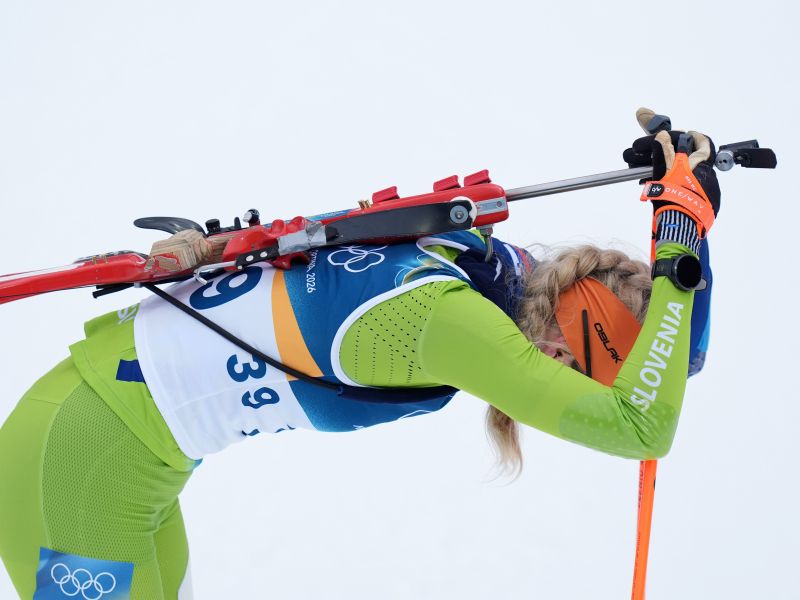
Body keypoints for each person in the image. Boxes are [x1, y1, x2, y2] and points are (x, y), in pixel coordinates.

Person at [0, 111, 720, 599]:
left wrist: (687, 228)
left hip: (124, 459)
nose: (560, 397)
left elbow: (675, 363)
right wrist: (680, 235)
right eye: (583, 381)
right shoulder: (457, 324)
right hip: (85, 456)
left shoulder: (480, 262)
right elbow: (642, 426)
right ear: (563, 351)